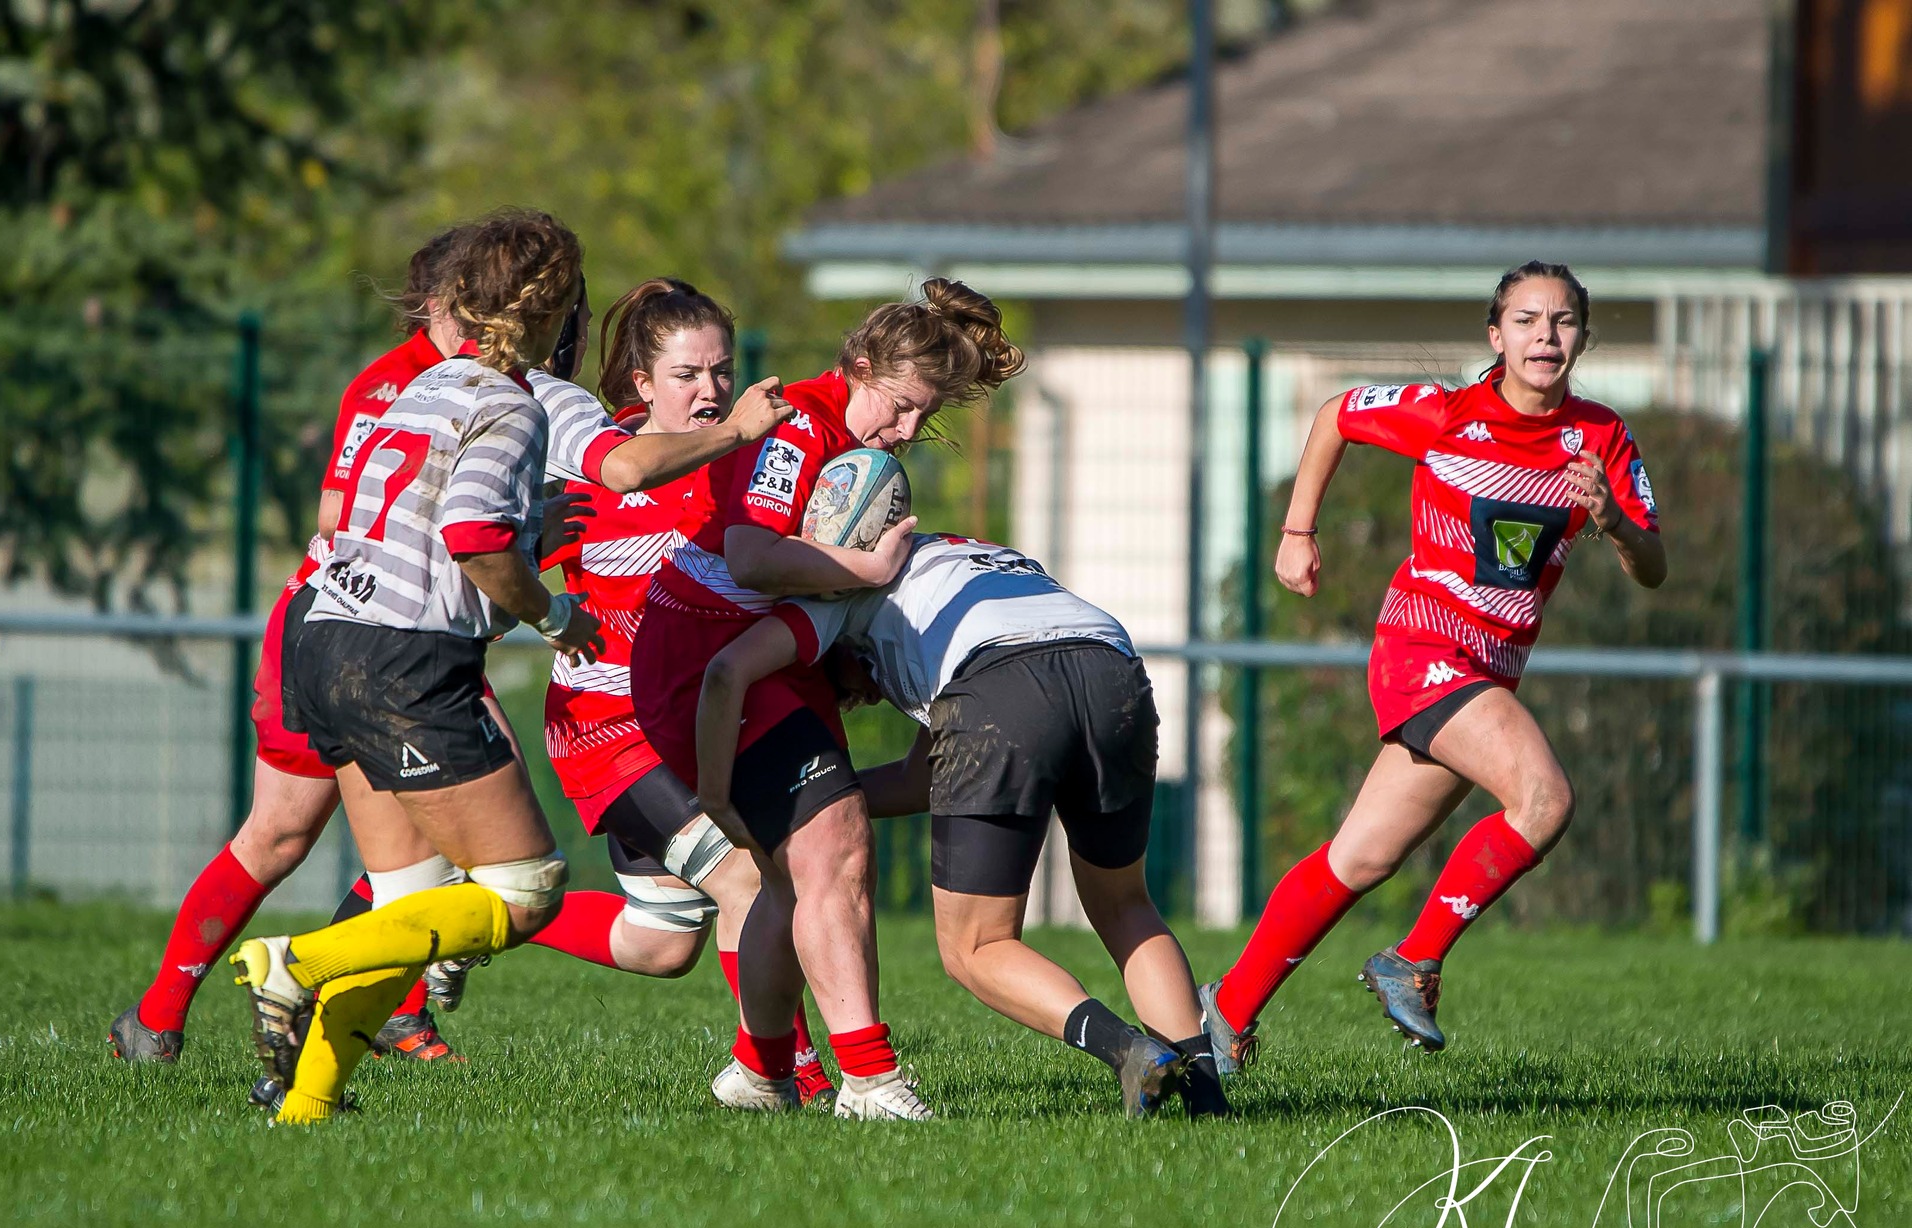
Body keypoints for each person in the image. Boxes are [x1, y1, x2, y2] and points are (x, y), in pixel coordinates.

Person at [224, 210, 792, 1124]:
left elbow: (400, 517)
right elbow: (486, 530)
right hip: (407, 658)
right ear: (553, 315)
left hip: (322, 634)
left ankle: (307, 1101)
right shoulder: (525, 399)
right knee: (524, 888)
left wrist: (531, 533)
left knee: (413, 896)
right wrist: (554, 611)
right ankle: (301, 961)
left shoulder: (423, 384)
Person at [1198, 261, 1665, 1076]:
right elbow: (1336, 414)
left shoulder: (1601, 437)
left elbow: (1653, 566)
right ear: (1496, 336)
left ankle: (1226, 1009)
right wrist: (1298, 531)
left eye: (1562, 322)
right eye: (1525, 320)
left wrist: (1615, 521)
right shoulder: (1447, 413)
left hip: (1489, 670)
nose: (1544, 336)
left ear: (1583, 339)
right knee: (1544, 798)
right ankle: (1414, 959)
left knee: (1360, 858)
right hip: (1423, 649)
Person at [632, 278, 1024, 1119]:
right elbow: (750, 556)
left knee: (796, 878)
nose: (907, 431)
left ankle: (760, 1071)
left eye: (924, 417)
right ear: (860, 365)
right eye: (901, 406)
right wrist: (866, 571)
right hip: (703, 659)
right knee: (838, 844)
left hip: (763, 666)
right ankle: (871, 1081)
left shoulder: (851, 440)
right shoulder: (800, 426)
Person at [109, 224, 497, 1066]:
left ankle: (384, 1004)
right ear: (436, 304)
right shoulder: (392, 383)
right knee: (282, 834)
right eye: (475, 301)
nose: (490, 320)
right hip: (344, 625)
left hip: (414, 636)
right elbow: (336, 511)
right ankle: (156, 1016)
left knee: (448, 835)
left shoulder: (494, 381)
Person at [445, 277, 834, 1103]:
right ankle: (787, 1070)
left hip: (690, 727)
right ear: (641, 384)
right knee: (745, 878)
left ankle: (474, 907)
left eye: (722, 371)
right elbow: (486, 580)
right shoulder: (596, 472)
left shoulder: (747, 472)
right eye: (687, 374)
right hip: (608, 729)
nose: (711, 390)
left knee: (661, 941)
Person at [693, 533, 1228, 1118]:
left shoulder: (839, 587)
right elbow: (916, 780)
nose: (853, 701)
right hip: (1111, 665)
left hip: (1000, 686)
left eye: (830, 683)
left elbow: (729, 668)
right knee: (1125, 904)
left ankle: (1127, 1051)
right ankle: (1207, 1097)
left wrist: (726, 797)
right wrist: (816, 809)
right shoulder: (967, 554)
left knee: (976, 945)